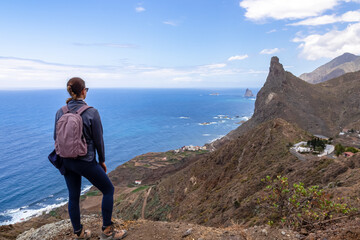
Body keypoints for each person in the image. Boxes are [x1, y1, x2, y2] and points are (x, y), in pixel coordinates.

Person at [54, 77, 127, 240]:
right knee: (108, 190)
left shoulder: (60, 111)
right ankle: (107, 232)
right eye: (86, 89)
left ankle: (79, 234)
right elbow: (99, 140)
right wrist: (101, 161)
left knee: (73, 196)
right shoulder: (91, 112)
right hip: (85, 162)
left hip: (66, 160)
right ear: (83, 91)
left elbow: (55, 137)